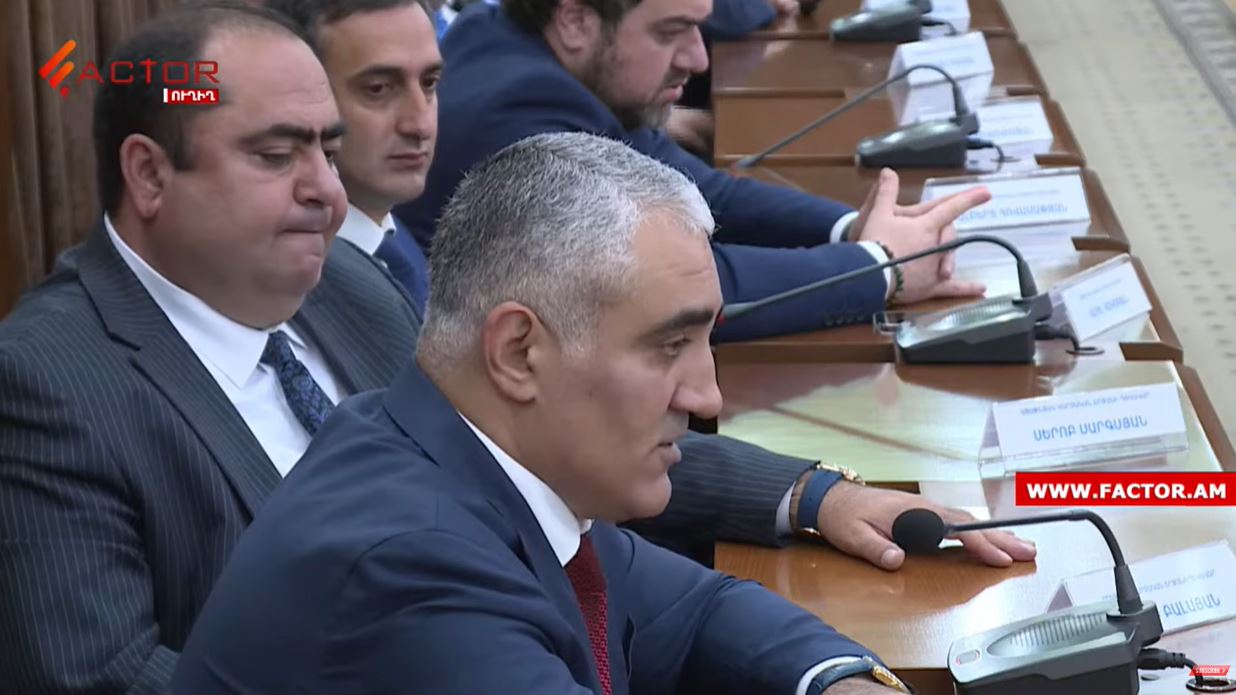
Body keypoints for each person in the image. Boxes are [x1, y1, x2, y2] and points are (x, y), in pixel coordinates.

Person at [173, 132, 914, 694]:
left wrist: (837, 679)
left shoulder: (458, 451)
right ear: (519, 351)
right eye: (669, 346)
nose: (706, 396)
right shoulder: (410, 569)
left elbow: (695, 606)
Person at [0, 4, 420, 692]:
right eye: (277, 156)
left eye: (329, 153)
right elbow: (105, 675)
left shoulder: (356, 288)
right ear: (149, 175)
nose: (329, 194)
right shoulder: (43, 384)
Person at [394, 0, 992, 342]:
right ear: (575, 20)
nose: (699, 58)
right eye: (672, 31)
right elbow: (663, 289)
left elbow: (695, 191)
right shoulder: (522, 111)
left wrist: (855, 230)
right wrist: (878, 269)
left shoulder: (522, 47)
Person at [267, 0, 440, 310]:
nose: (420, 124)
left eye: (429, 83)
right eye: (378, 89)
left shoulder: (393, 238)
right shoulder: (279, 289)